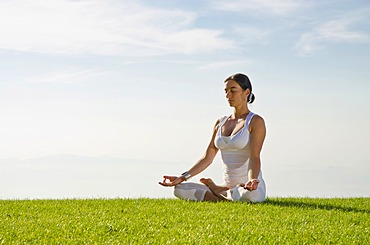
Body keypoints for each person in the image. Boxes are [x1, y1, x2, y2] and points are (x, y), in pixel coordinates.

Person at [159, 73, 266, 202]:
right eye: (226, 91)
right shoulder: (220, 122)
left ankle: (220, 193)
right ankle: (224, 193)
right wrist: (182, 177)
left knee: (250, 196)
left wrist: (252, 180)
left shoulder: (255, 121)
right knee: (180, 189)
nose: (228, 95)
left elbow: (255, 156)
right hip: (229, 185)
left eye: (233, 91)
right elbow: (207, 157)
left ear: (246, 92)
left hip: (248, 187)